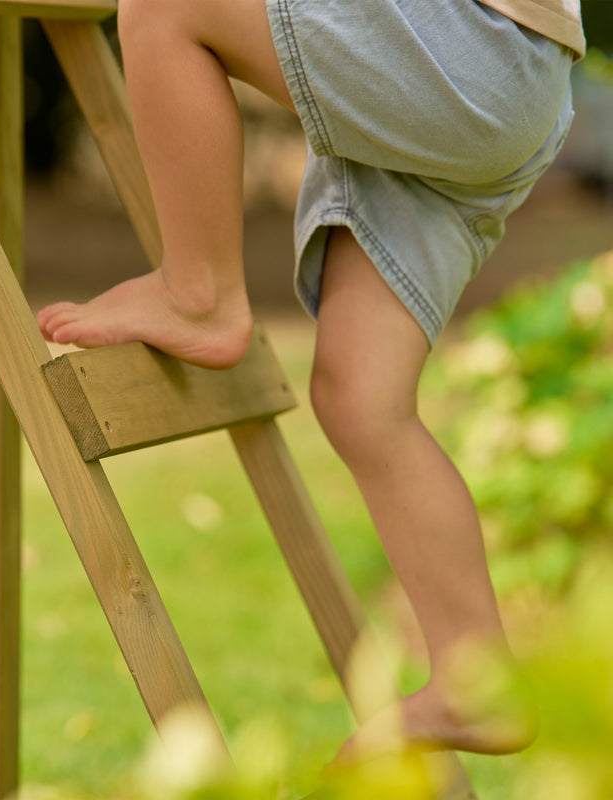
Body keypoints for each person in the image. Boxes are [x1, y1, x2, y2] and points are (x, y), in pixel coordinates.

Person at [37, 0, 585, 763]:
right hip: (509, 80)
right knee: (363, 401)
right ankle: (474, 675)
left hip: (475, 50)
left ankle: (197, 292)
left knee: (165, 5)